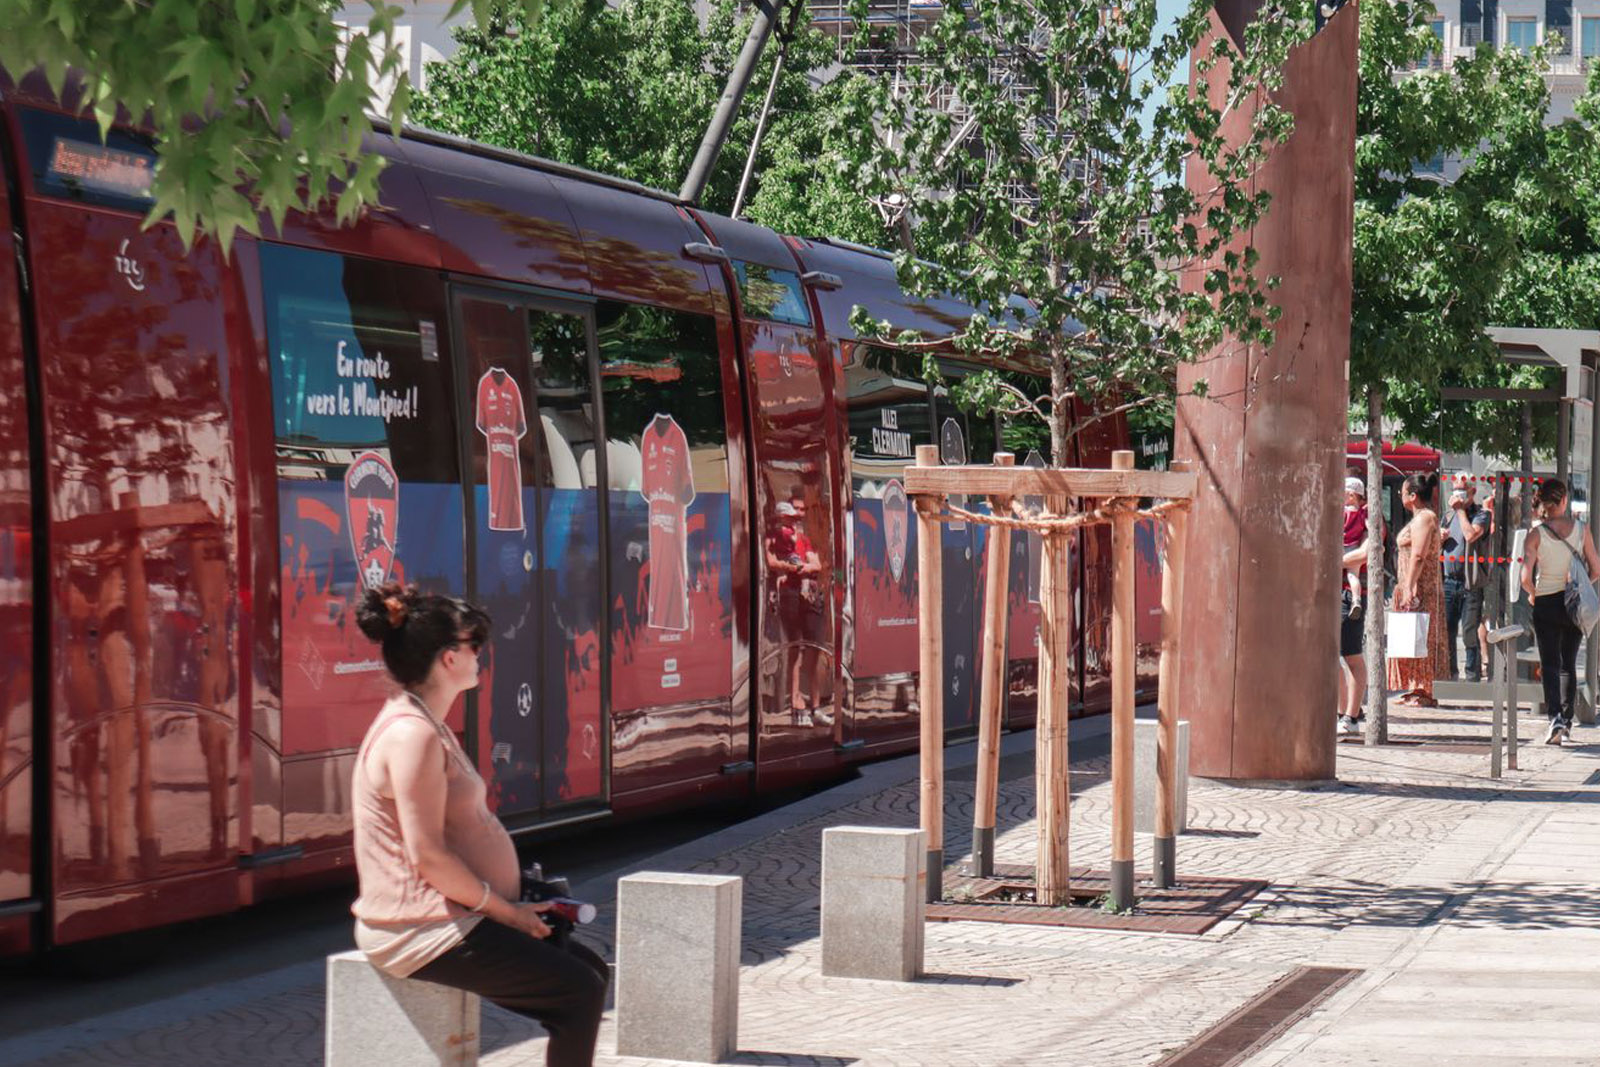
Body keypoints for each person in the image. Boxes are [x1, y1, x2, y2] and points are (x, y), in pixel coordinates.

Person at [351, 583, 608, 1067]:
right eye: (475, 645)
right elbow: (427, 854)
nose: (480, 656)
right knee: (578, 991)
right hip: (418, 928)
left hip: (450, 914)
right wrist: (508, 913)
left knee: (590, 970)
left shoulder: (425, 723)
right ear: (449, 658)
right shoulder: (411, 735)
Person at [1519, 479, 1600, 745]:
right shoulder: (1582, 530)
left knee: (1550, 663)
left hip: (1545, 602)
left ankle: (1554, 718)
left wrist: (1533, 593)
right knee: (1568, 663)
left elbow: (1524, 577)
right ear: (1564, 500)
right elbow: (1596, 569)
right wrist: (1579, 586)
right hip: (1572, 603)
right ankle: (1566, 721)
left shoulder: (1536, 534)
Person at [1387, 473, 1446, 707]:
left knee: (1423, 635)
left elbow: (1418, 555)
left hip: (1422, 588)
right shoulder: (1420, 518)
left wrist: (1410, 586)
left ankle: (1425, 688)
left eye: (1402, 492)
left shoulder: (1425, 518)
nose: (1399, 495)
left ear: (1412, 496)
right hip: (1412, 586)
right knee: (1411, 636)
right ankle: (1415, 685)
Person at [1338, 475, 1381, 735]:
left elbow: (1367, 552)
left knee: (1350, 654)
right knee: (1330, 655)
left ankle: (1350, 716)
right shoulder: (1350, 514)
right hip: (1334, 588)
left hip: (1346, 591)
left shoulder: (1368, 518)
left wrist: (1333, 559)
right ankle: (1342, 713)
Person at [1440, 474, 1490, 681]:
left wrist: (1460, 510)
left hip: (1471, 583)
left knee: (1470, 632)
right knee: (1448, 632)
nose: (1457, 493)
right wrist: (1439, 538)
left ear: (1472, 491)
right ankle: (1451, 674)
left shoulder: (1481, 515)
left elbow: (1470, 535)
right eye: (1455, 489)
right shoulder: (1448, 516)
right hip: (1449, 581)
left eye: (1462, 489)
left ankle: (1472, 676)